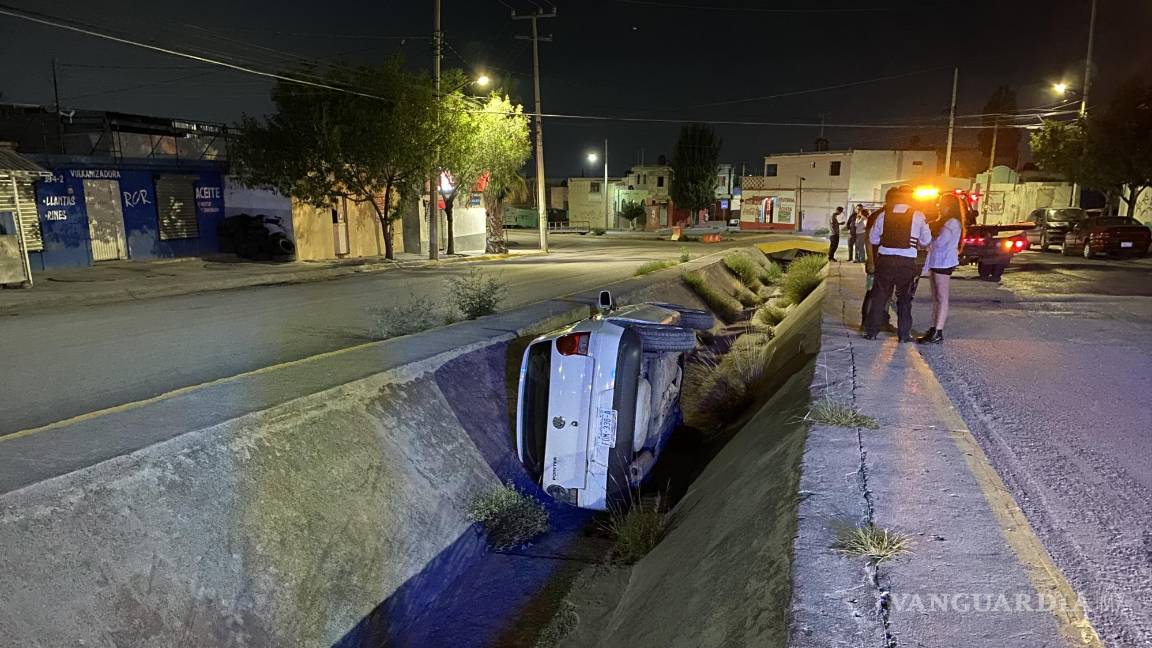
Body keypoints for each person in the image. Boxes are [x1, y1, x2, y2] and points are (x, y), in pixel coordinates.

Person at [863, 186, 932, 342]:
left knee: (880, 296)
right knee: (904, 298)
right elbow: (926, 240)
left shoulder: (883, 215)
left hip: (885, 261)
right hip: (906, 262)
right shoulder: (918, 216)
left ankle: (872, 331)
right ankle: (903, 334)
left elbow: (873, 239)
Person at [918, 196, 964, 344]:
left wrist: (926, 243)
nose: (939, 206)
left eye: (942, 204)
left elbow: (940, 242)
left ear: (949, 206)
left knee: (941, 297)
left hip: (944, 262)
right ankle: (934, 328)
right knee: (937, 296)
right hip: (938, 261)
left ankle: (938, 331)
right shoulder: (946, 221)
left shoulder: (952, 222)